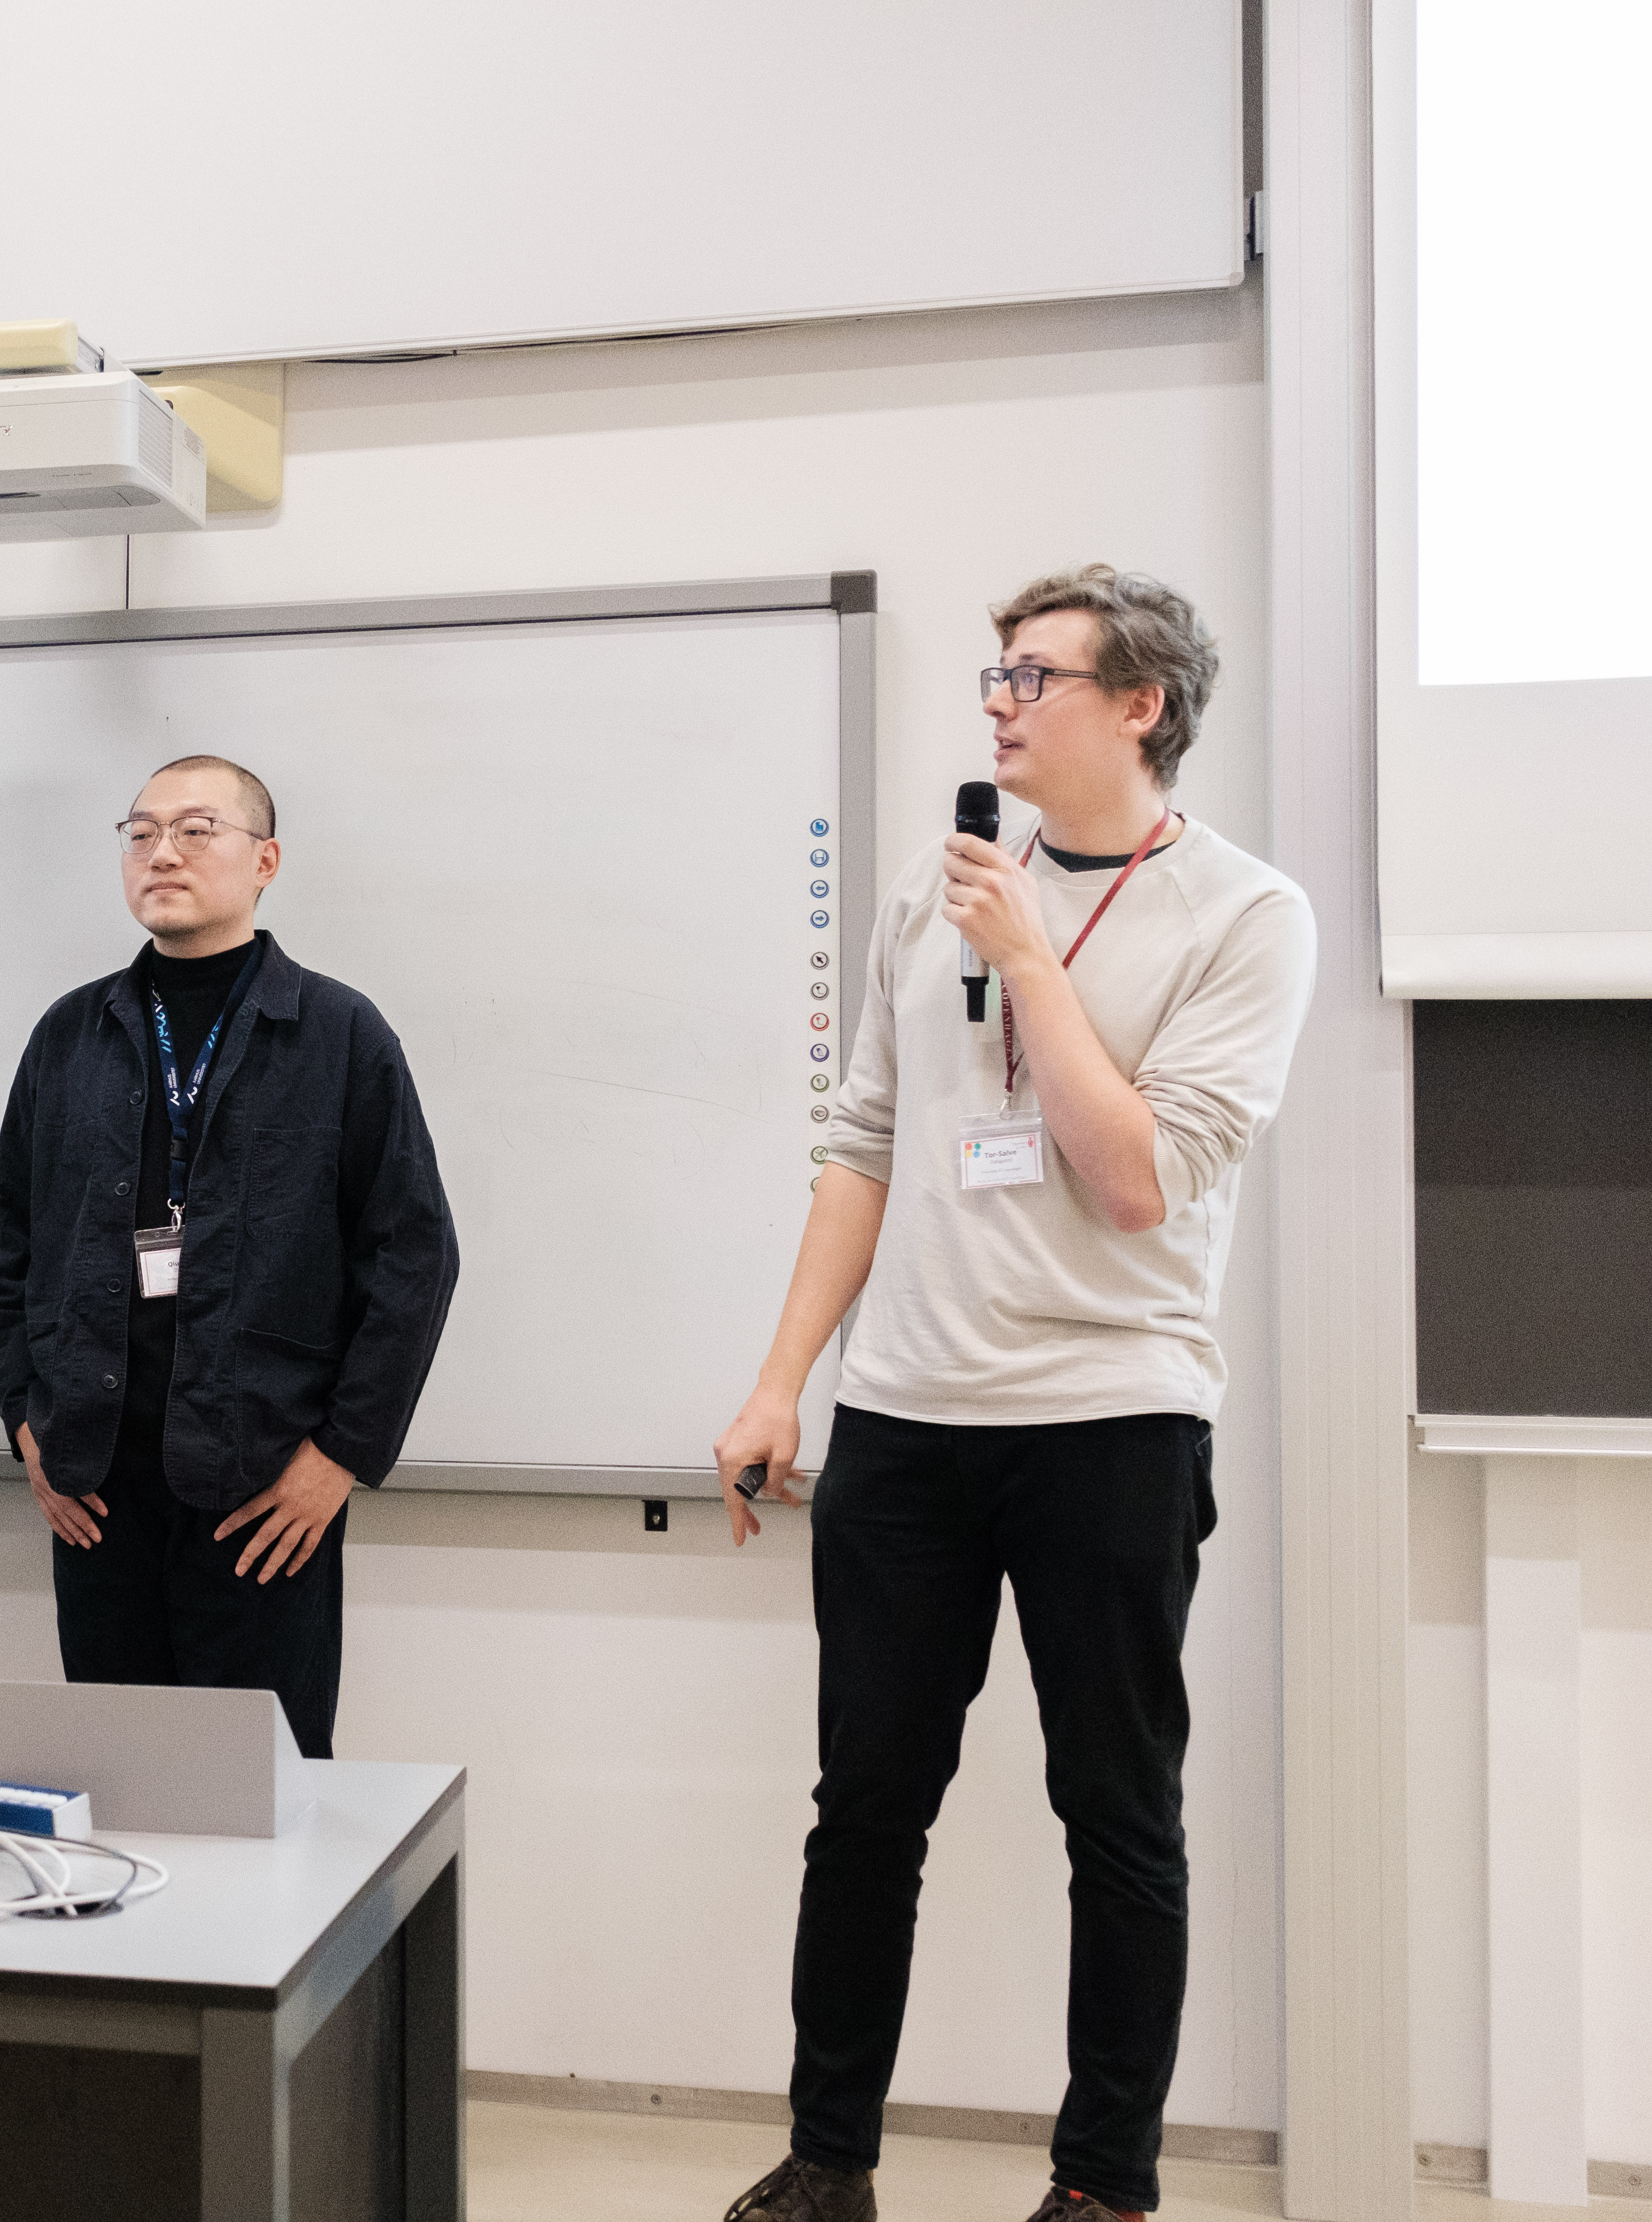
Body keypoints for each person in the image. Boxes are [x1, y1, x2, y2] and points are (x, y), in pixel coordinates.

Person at [711, 568, 1317, 2222]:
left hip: (1110, 1424)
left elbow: (1138, 1180)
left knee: (1115, 1819)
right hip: (906, 1423)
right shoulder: (940, 886)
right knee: (865, 1813)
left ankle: (1103, 2187)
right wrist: (782, 1381)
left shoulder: (1248, 916)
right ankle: (829, 2160)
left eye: (1034, 676)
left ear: (1141, 705)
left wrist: (1031, 960)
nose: (997, 702)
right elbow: (864, 1145)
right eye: (995, 674)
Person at [0, 754, 457, 1760]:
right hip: (96, 1489)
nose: (163, 854)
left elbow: (414, 1259)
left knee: (263, 1799)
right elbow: (12, 1249)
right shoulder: (71, 1035)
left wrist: (342, 1458)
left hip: (263, 1492)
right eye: (141, 834)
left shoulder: (338, 1034)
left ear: (265, 861)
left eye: (196, 831)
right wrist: (28, 1423)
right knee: (119, 1785)